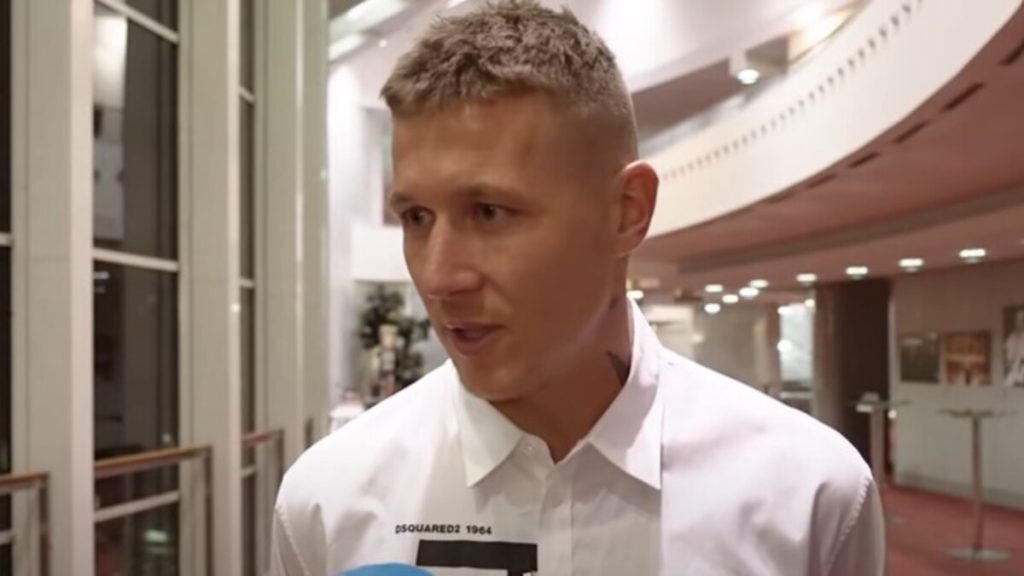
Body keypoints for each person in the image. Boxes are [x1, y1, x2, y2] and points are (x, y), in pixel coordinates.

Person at [271, 2, 885, 574]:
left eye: (489, 212)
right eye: (416, 217)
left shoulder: (809, 495)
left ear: (626, 211)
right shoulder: (329, 501)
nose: (438, 277)